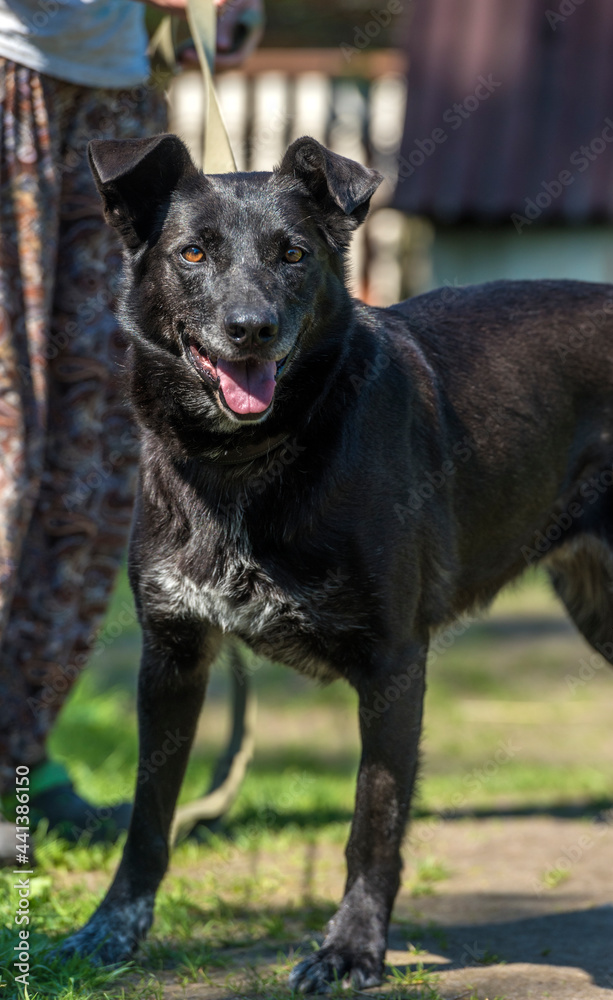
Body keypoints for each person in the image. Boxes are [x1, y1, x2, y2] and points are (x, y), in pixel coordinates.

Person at [0, 0, 263, 862]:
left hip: (117, 88)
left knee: (96, 462)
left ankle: (17, 762)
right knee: (8, 443)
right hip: (11, 68)